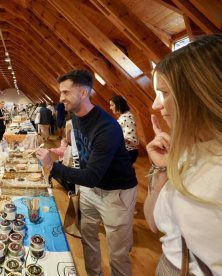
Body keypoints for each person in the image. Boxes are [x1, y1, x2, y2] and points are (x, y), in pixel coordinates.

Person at [36, 69, 137, 276]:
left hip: (116, 194)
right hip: (90, 192)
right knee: (88, 240)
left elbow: (92, 176)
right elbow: (82, 161)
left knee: (118, 254)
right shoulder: (76, 117)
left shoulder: (106, 127)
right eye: (60, 92)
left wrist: (52, 166)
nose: (61, 98)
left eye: (65, 92)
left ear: (83, 93)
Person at [143, 34, 222, 275]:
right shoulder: (187, 152)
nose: (157, 105)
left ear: (197, 96)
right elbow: (153, 222)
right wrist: (163, 169)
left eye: (164, 93)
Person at [109, 95, 139, 163]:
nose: (110, 108)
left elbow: (131, 139)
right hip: (127, 151)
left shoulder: (126, 118)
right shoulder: (124, 116)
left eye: (112, 105)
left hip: (129, 152)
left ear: (118, 105)